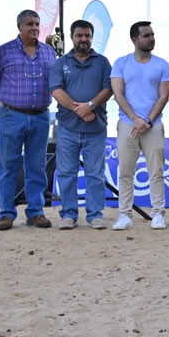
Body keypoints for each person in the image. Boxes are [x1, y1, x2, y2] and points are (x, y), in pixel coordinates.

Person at [0, 9, 56, 231]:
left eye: (37, 24)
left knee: (37, 166)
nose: (34, 27)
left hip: (40, 117)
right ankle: (6, 213)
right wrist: (10, 104)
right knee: (8, 166)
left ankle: (35, 212)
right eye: (29, 24)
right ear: (19, 27)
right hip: (10, 116)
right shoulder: (2, 52)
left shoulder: (49, 53)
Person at [49, 20, 113, 230]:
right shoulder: (60, 63)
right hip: (68, 128)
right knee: (67, 173)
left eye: (87, 36)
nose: (83, 39)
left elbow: (108, 89)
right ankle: (68, 214)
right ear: (72, 37)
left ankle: (95, 215)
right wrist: (80, 110)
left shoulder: (102, 62)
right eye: (79, 35)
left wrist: (91, 105)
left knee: (95, 174)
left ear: (91, 38)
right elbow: (56, 92)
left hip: (96, 129)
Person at [110, 21, 169, 231]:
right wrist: (135, 119)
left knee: (156, 171)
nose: (151, 38)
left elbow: (164, 96)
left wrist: (147, 121)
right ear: (134, 40)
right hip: (128, 124)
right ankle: (125, 215)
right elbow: (118, 94)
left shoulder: (162, 64)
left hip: (153, 126)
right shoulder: (121, 63)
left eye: (153, 35)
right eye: (146, 35)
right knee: (126, 172)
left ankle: (158, 214)